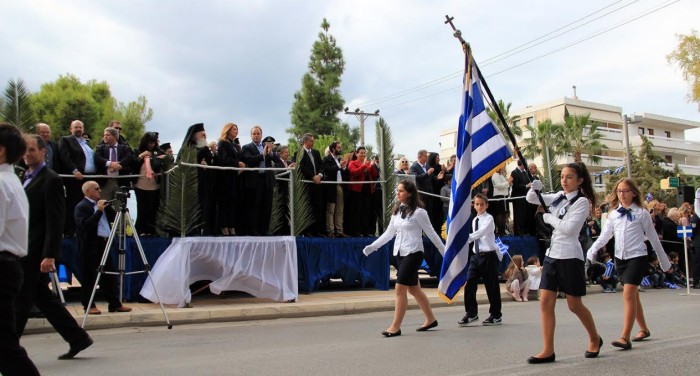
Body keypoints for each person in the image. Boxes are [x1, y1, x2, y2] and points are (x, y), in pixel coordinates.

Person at [15, 134, 94, 360]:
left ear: (43, 153)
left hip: (37, 251)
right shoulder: (25, 177)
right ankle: (78, 338)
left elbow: (55, 220)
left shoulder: (50, 179)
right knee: (43, 299)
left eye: (32, 150)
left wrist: (50, 254)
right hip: (25, 248)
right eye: (25, 150)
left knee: (21, 301)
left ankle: (8, 348)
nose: (27, 154)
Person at [526, 162, 602, 363]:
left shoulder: (581, 202)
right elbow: (532, 198)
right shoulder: (559, 197)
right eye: (562, 177)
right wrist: (536, 187)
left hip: (570, 256)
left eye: (569, 177)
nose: (564, 181)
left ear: (580, 181)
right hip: (553, 255)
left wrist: (548, 217)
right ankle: (548, 350)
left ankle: (595, 338)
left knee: (574, 305)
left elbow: (569, 228)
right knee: (545, 301)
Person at [587, 177, 671, 351]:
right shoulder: (613, 214)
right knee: (633, 296)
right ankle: (644, 329)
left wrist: (664, 261)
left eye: (625, 191)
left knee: (628, 294)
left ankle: (625, 337)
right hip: (621, 259)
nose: (622, 194)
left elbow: (654, 239)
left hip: (638, 257)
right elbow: (605, 236)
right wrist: (592, 250)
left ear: (633, 193)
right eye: (619, 191)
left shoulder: (642, 213)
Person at [362, 180, 445, 337]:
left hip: (414, 253)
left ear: (410, 193)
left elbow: (432, 233)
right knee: (414, 289)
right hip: (401, 253)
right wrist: (373, 246)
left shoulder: (420, 212)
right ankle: (431, 319)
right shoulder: (397, 212)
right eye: (397, 190)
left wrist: (444, 252)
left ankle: (395, 326)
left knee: (400, 288)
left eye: (401, 191)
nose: (398, 193)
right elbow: (388, 233)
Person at [0, 123, 41, 375]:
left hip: (2, 266)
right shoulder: (11, 180)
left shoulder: (2, 183)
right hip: (8, 265)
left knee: (5, 347)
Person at [74, 180, 132, 314]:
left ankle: (114, 304)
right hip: (89, 244)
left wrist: (111, 207)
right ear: (88, 191)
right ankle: (89, 305)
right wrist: (99, 211)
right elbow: (85, 226)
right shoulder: (82, 206)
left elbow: (114, 217)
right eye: (96, 188)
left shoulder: (102, 204)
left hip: (104, 243)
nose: (100, 190)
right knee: (89, 276)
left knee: (109, 274)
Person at [458, 194, 504, 326]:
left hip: (488, 256)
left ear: (486, 205)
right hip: (476, 256)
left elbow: (482, 232)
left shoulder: (489, 219)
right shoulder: (474, 220)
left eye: (482, 204)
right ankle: (472, 313)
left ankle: (496, 315)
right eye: (477, 204)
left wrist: (466, 238)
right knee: (470, 282)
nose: (479, 207)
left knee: (492, 286)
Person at [58, 119, 97, 236]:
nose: (78, 129)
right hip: (75, 179)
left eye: (80, 127)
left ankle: (84, 230)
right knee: (73, 205)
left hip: (88, 178)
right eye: (76, 127)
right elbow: (65, 157)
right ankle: (71, 231)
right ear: (71, 129)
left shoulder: (86, 143)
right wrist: (75, 170)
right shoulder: (66, 140)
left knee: (87, 205)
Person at [242, 126, 280, 235]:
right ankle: (254, 230)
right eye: (254, 134)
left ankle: (265, 230)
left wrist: (271, 152)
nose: (256, 135)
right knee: (255, 206)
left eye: (258, 133)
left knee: (267, 206)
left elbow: (277, 160)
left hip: (267, 180)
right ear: (251, 136)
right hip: (255, 180)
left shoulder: (266, 146)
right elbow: (249, 160)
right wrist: (262, 155)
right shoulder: (247, 147)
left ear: (261, 135)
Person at [132, 132, 165, 236]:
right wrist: (142, 156)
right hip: (140, 185)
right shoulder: (137, 151)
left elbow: (165, 160)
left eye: (153, 142)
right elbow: (133, 163)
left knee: (153, 209)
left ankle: (152, 231)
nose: (151, 145)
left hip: (154, 186)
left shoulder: (159, 151)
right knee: (142, 209)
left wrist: (155, 158)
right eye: (149, 142)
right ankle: (140, 231)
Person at [216, 123, 246, 236]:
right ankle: (224, 227)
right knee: (225, 203)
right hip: (225, 179)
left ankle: (231, 226)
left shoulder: (234, 144)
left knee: (232, 203)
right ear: (228, 130)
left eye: (237, 129)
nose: (236, 131)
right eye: (234, 129)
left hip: (234, 178)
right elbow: (223, 159)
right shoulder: (223, 143)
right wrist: (237, 163)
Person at [94, 127, 134, 204]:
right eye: (104, 135)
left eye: (107, 135)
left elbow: (130, 158)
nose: (105, 137)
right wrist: (110, 164)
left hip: (120, 182)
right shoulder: (100, 148)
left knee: (119, 206)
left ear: (115, 136)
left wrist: (119, 165)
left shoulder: (124, 148)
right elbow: (97, 159)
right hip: (105, 182)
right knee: (104, 205)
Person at [297, 133, 325, 237]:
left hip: (317, 184)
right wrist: (312, 176)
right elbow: (301, 167)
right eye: (311, 141)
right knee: (308, 208)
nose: (313, 142)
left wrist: (319, 175)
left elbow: (321, 165)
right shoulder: (299, 153)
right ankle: (307, 231)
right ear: (305, 142)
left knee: (317, 207)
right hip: (306, 185)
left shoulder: (316, 153)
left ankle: (316, 231)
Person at [347, 147, 379, 236]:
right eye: (361, 153)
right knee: (357, 211)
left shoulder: (368, 163)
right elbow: (354, 173)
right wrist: (364, 165)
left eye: (364, 153)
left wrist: (372, 166)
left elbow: (375, 175)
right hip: (357, 191)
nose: (363, 154)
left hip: (368, 191)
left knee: (367, 211)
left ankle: (366, 231)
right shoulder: (352, 163)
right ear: (356, 154)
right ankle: (357, 231)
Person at [322, 141, 349, 238]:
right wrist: (339, 166)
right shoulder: (326, 159)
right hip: (331, 187)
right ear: (333, 149)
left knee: (340, 209)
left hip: (340, 186)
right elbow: (328, 170)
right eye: (338, 147)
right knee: (331, 209)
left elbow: (344, 173)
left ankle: (339, 230)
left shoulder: (339, 159)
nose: (340, 149)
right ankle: (330, 231)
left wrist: (344, 167)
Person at [510, 160, 530, 236]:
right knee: (518, 215)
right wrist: (526, 186)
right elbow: (515, 186)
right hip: (517, 197)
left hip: (524, 197)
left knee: (523, 215)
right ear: (521, 164)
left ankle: (523, 231)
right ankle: (518, 232)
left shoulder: (525, 173)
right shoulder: (514, 172)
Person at [490, 167, 510, 235]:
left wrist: (508, 183)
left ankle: (503, 230)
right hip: (499, 196)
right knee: (500, 213)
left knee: (504, 214)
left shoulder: (501, 175)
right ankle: (500, 230)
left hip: (504, 196)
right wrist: (507, 183)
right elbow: (498, 185)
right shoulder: (495, 175)